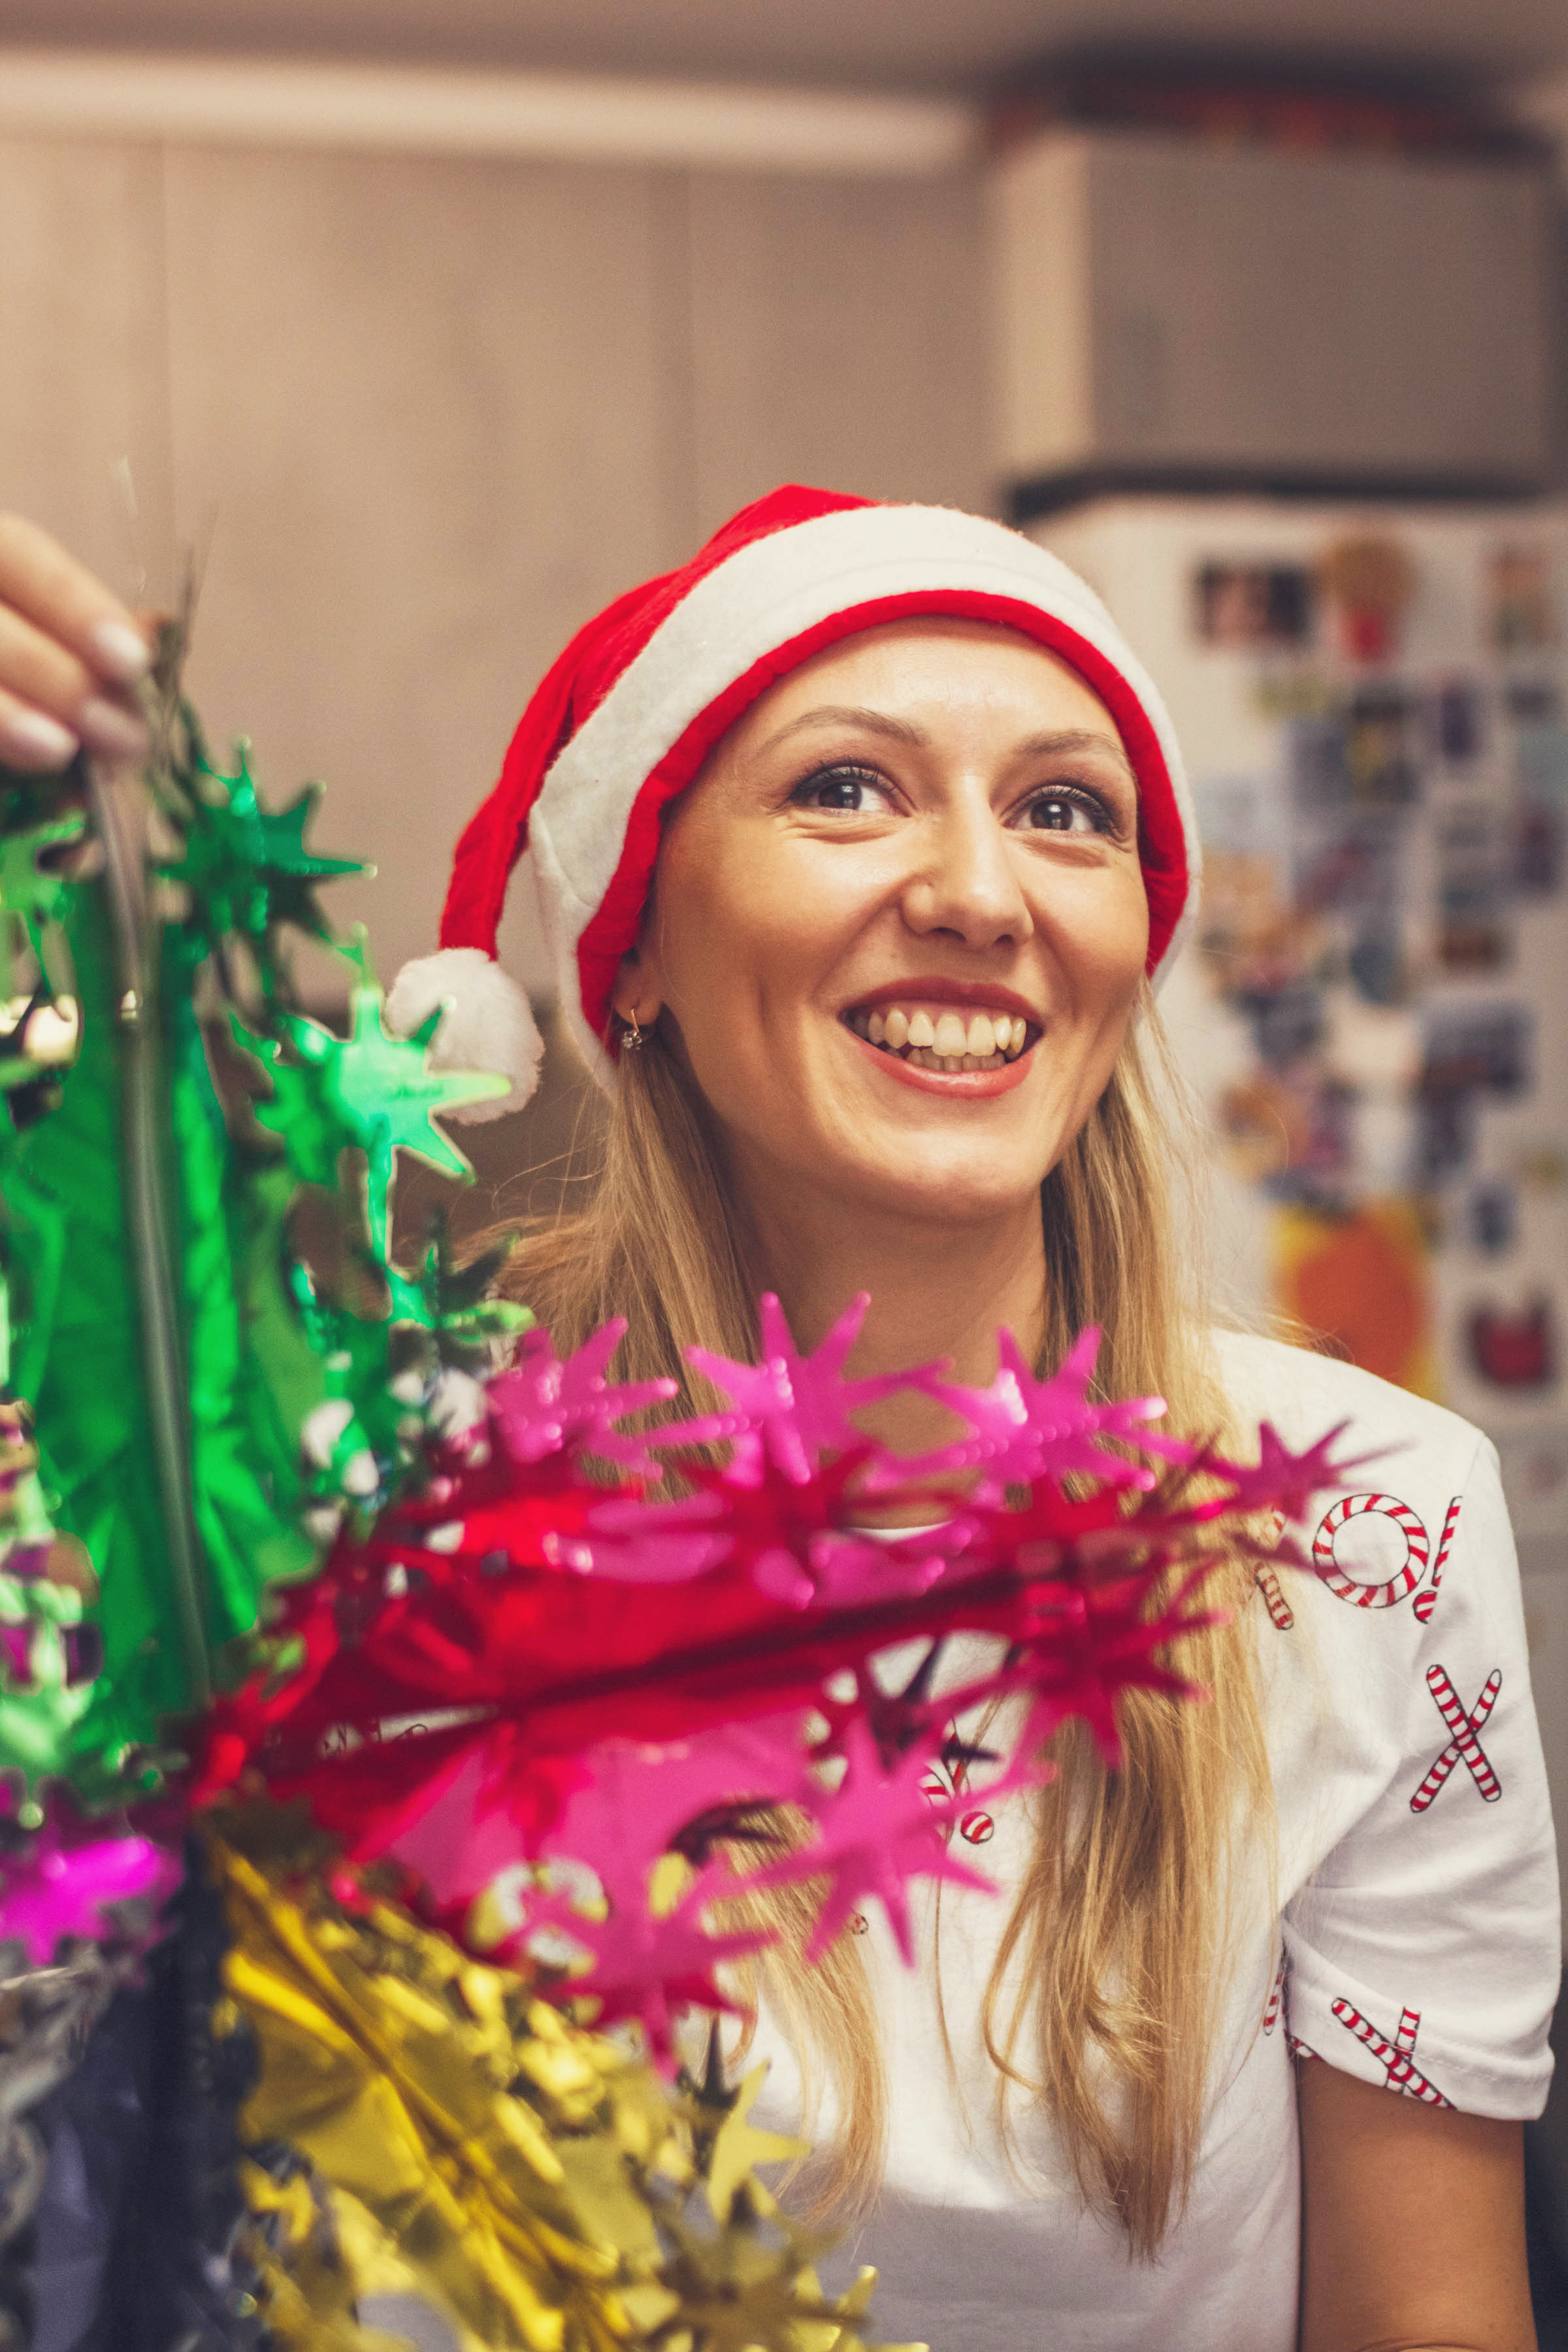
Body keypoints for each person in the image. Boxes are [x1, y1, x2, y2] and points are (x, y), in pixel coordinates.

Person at [0, 487, 1556, 2352]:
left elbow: (1424, 2320)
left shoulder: (1372, 1534)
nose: (980, 892)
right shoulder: (334, 1510)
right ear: (635, 951)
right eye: (847, 788)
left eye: (1066, 810)